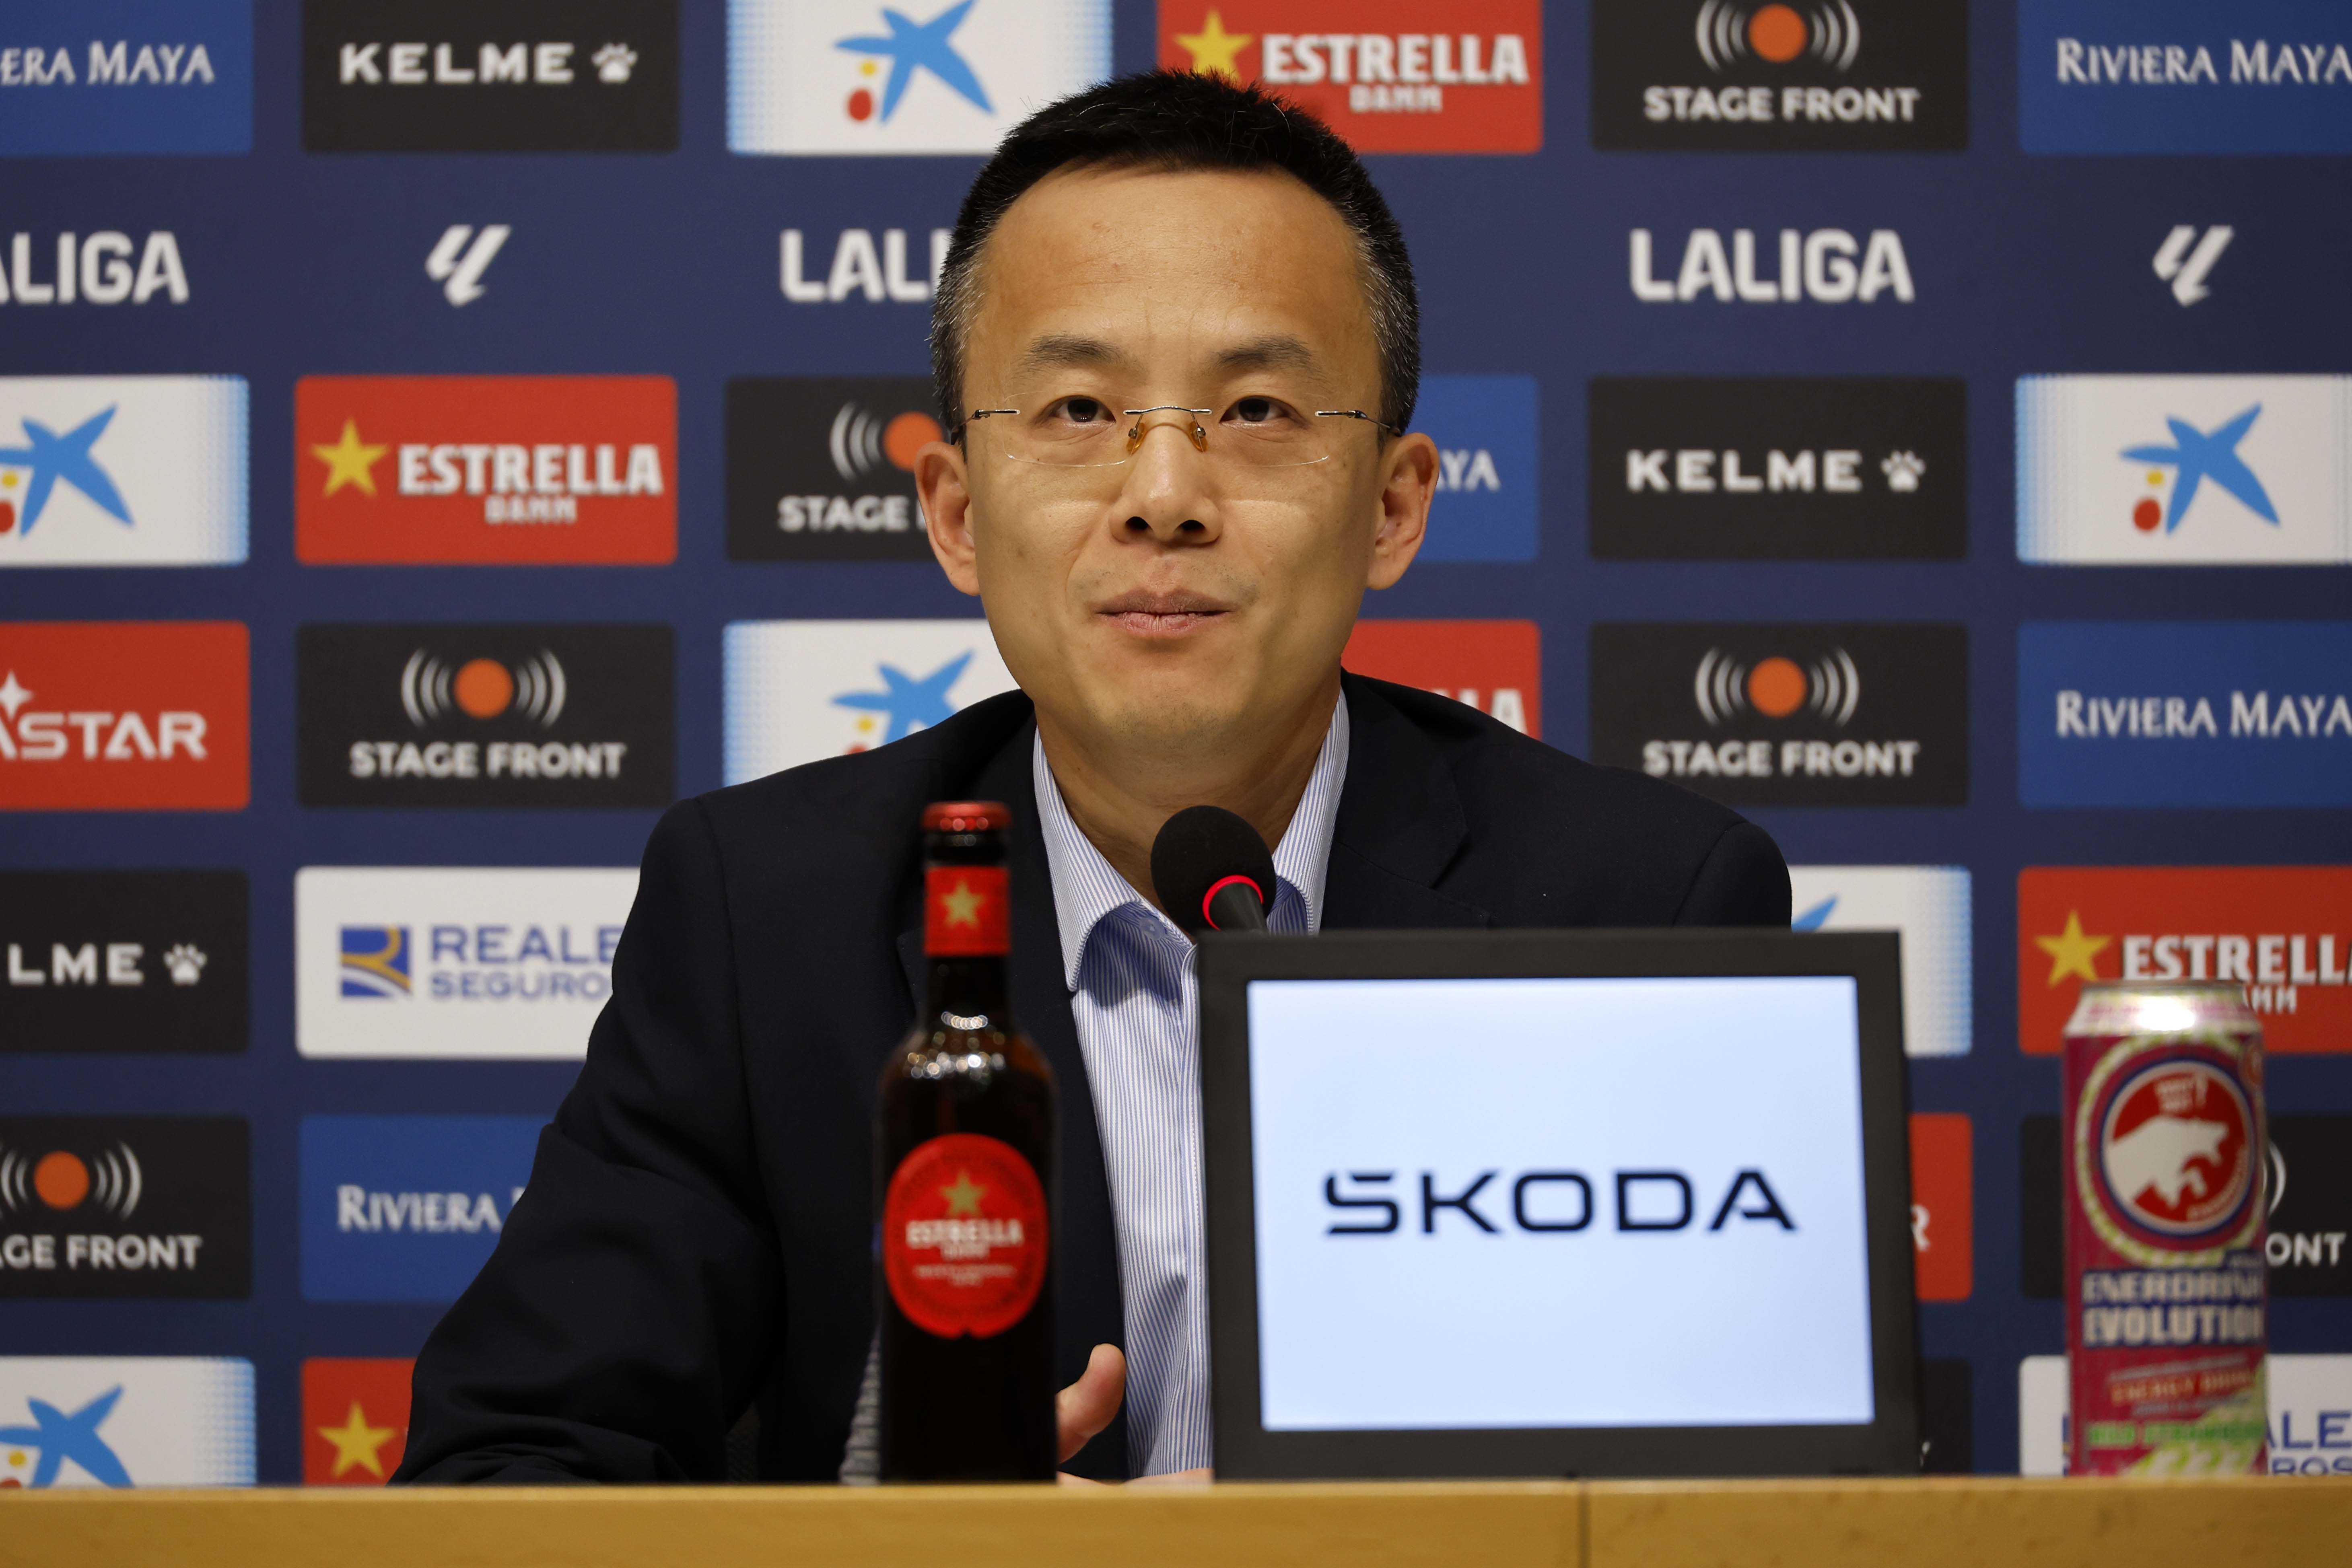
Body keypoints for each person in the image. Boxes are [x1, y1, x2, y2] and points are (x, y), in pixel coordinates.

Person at [395, 69, 1789, 1487]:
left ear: (1393, 505)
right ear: (955, 512)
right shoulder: (764, 917)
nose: (1164, 495)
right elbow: (502, 1473)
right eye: (1076, 407)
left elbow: (1765, 1499)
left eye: (1257, 407)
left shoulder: (1645, 909)